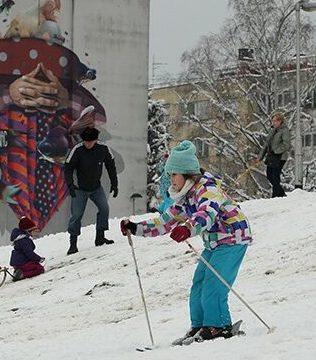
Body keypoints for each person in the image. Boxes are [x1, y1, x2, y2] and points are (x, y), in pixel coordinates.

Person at [120, 140, 252, 342]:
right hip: (215, 242)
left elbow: (206, 213)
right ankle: (200, 325)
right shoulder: (185, 198)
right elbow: (164, 222)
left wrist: (188, 228)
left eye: (174, 174)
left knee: (214, 283)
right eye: (169, 174)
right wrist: (135, 228)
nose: (170, 179)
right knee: (198, 283)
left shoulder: (207, 190)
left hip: (233, 237)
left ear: (187, 174)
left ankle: (218, 326)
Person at [63, 126, 118, 255]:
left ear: (95, 140)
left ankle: (100, 237)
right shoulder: (77, 150)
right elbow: (68, 168)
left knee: (104, 209)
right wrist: (70, 185)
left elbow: (111, 166)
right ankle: (73, 244)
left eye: (90, 142)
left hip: (96, 188)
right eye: (85, 142)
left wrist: (114, 184)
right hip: (80, 188)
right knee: (76, 215)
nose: (88, 144)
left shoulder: (103, 149)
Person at [259, 113, 291, 197]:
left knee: (275, 176)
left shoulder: (284, 130)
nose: (273, 123)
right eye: (272, 121)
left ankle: (276, 195)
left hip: (280, 157)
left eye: (275, 121)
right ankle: (281, 193)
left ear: (280, 121)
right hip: (271, 157)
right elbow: (266, 144)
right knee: (269, 175)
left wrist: (276, 150)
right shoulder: (272, 131)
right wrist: (260, 156)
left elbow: (286, 145)